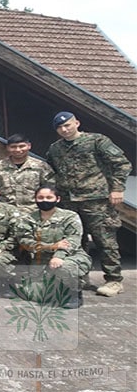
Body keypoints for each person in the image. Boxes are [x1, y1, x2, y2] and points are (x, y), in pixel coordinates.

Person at [45, 112, 132, 297]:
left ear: (77, 123)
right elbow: (52, 171)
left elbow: (122, 163)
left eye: (67, 125)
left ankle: (114, 280)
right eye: (60, 127)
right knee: (76, 241)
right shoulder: (55, 149)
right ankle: (79, 276)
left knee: (104, 240)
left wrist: (117, 188)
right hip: (69, 202)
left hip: (96, 200)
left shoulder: (96, 141)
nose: (64, 129)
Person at [16, 186, 92, 309]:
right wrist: (51, 247)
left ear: (57, 199)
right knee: (31, 294)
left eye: (49, 197)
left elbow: (73, 239)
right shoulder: (28, 218)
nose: (44, 200)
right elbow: (25, 241)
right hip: (41, 259)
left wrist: (58, 256)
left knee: (65, 267)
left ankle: (73, 294)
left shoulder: (70, 216)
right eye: (40, 197)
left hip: (70, 256)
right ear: (35, 199)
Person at [0, 133, 55, 212]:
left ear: (29, 146)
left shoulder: (41, 166)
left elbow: (50, 189)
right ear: (8, 148)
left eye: (22, 146)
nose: (18, 150)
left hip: (34, 212)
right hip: (6, 212)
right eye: (13, 147)